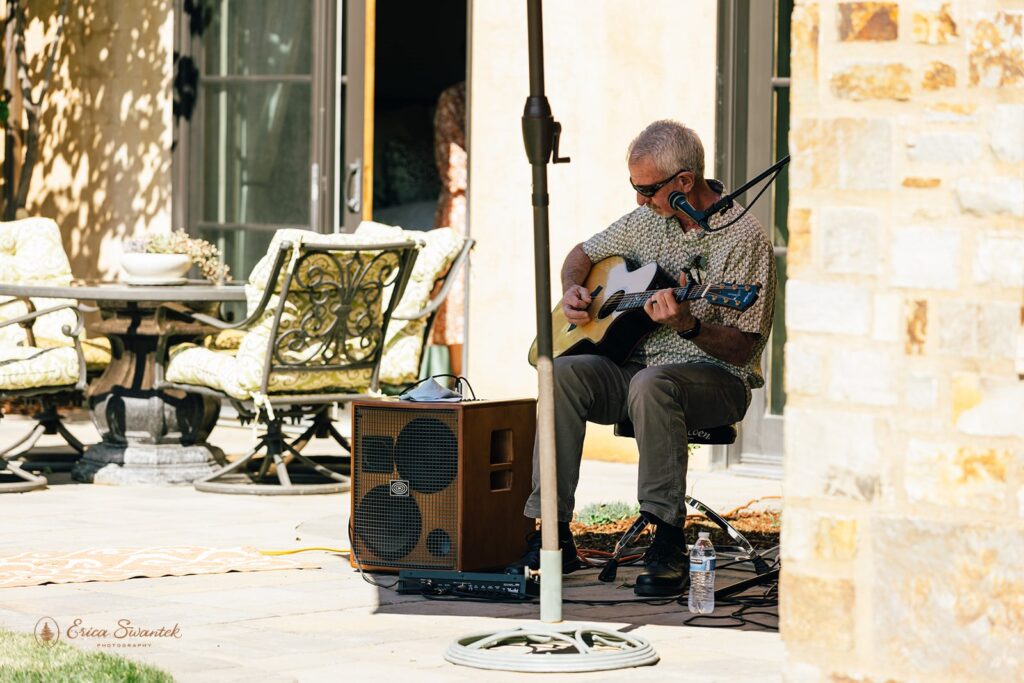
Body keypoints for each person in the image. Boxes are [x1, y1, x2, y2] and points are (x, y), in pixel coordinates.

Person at [508, 120, 776, 596]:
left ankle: (666, 537)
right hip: (636, 370)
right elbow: (581, 254)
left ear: (684, 183)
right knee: (560, 373)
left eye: (647, 189)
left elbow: (744, 346)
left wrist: (687, 325)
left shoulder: (744, 239)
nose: (639, 199)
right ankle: (551, 534)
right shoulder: (648, 220)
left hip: (717, 379)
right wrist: (574, 288)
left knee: (653, 384)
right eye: (634, 187)